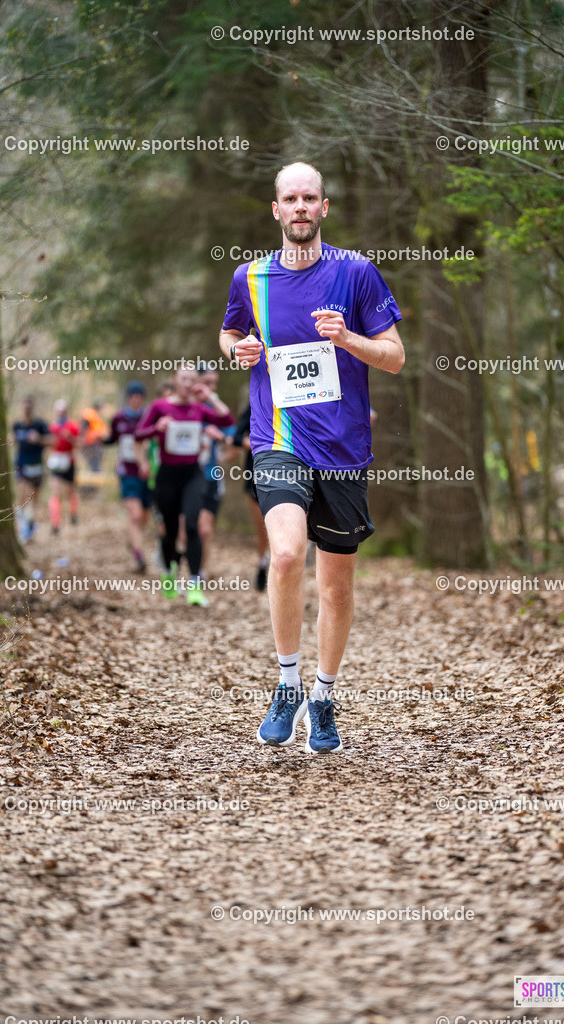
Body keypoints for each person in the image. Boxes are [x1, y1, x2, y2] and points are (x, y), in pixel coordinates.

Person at [219, 161, 404, 754]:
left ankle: (323, 698)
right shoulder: (249, 278)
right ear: (275, 210)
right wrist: (239, 349)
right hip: (278, 440)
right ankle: (286, 683)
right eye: (290, 199)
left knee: (338, 585)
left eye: (311, 198)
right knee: (286, 553)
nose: (300, 207)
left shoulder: (357, 273)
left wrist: (348, 339)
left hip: (343, 450)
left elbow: (396, 357)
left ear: (325, 208)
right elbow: (228, 336)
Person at [135, 366, 234, 606]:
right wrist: (156, 428)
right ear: (174, 380)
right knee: (169, 531)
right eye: (184, 379)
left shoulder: (199, 408)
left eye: (192, 379)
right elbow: (139, 434)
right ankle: (169, 573)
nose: (188, 383)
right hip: (167, 475)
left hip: (193, 474)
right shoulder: (160, 407)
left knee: (192, 526)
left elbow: (226, 418)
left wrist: (210, 396)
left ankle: (194, 585)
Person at [105, 381, 151, 572]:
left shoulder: (148, 416)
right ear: (128, 397)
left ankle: (133, 539)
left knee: (144, 516)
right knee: (135, 514)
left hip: (147, 472)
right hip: (127, 472)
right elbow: (112, 438)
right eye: (132, 396)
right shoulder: (118, 418)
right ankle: (139, 556)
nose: (136, 399)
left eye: (139, 396)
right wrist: (99, 439)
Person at [196, 363, 235, 576]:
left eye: (214, 384)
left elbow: (234, 443)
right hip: (184, 475)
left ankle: (198, 573)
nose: (211, 388)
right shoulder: (185, 405)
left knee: (205, 529)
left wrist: (219, 442)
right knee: (184, 529)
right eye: (207, 383)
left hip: (211, 476)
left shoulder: (217, 409)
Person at [232, 402, 269, 591]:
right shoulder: (256, 402)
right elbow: (236, 438)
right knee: (263, 529)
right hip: (255, 474)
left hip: (288, 473)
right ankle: (262, 562)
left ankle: (281, 565)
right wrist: (258, 444)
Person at [12, 395, 49, 542]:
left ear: (32, 407)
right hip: (22, 465)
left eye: (29, 406)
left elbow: (52, 440)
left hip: (37, 466)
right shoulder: (17, 425)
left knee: (34, 500)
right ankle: (22, 526)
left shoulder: (39, 424)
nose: (26, 408)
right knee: (22, 495)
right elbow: (10, 441)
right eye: (24, 405)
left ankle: (30, 526)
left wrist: (38, 438)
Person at [47, 399, 81, 534]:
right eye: (58, 411)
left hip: (69, 461)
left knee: (70, 492)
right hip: (56, 461)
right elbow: (49, 443)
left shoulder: (73, 426)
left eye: (63, 410)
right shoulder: (52, 427)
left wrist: (70, 438)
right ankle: (55, 523)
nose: (60, 413)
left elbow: (79, 444)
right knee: (56, 492)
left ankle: (73, 514)